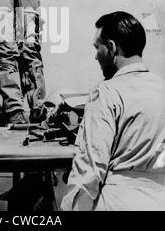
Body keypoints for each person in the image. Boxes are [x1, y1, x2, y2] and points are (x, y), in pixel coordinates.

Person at [61, 11, 165, 211]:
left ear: (111, 48)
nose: (95, 56)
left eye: (97, 47)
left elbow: (90, 169)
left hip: (118, 202)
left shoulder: (107, 93)